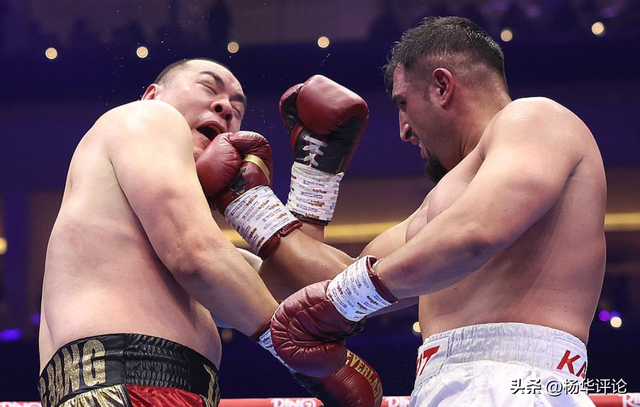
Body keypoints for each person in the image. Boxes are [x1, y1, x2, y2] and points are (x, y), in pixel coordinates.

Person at [232, 17, 605, 406]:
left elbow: (475, 233)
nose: (404, 130)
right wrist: (263, 203)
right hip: (447, 385)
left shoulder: (535, 118)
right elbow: (336, 281)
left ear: (442, 87)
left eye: (403, 104)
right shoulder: (443, 203)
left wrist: (344, 299)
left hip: (515, 382)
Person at [38, 58, 382, 407]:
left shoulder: (180, 237)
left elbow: (298, 296)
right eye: (208, 87)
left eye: (237, 107)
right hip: (123, 386)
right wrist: (293, 349)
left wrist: (314, 182)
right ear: (152, 94)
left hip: (162, 391)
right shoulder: (148, 116)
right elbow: (195, 255)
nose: (226, 107)